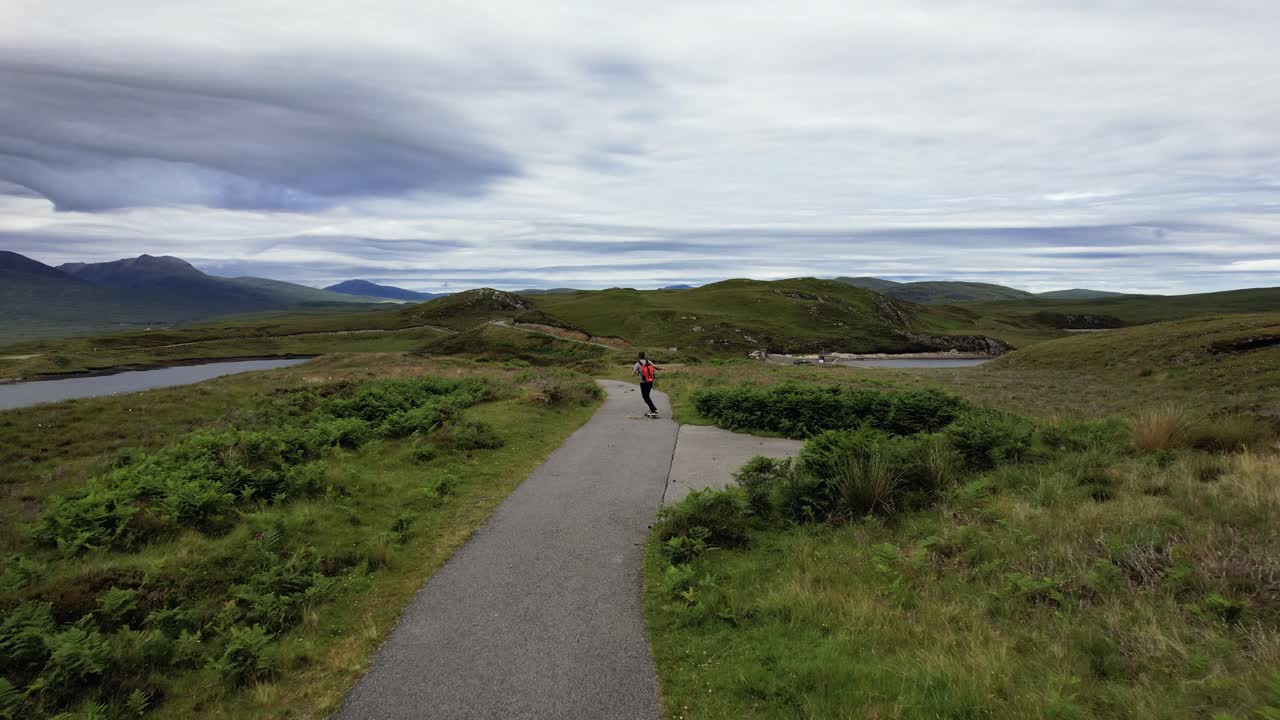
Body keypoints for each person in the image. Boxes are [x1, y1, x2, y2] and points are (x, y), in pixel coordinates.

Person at [632, 351, 660, 417]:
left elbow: (632, 374)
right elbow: (656, 367)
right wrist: (662, 368)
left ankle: (653, 411)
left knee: (645, 397)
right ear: (644, 356)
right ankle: (654, 409)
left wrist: (637, 372)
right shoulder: (648, 362)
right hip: (650, 381)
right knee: (647, 396)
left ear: (638, 356)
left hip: (643, 383)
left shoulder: (637, 364)